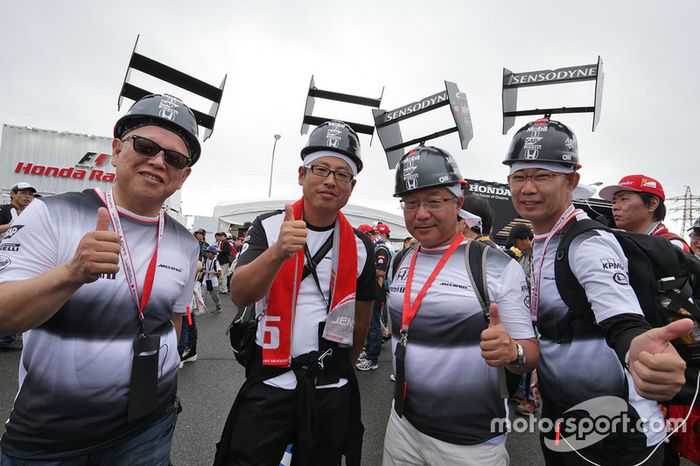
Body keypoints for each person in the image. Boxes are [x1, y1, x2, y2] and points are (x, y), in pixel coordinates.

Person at [0, 93, 201, 464]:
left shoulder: (186, 243)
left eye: (173, 158)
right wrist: (71, 273)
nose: (158, 162)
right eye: (145, 146)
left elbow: (172, 321)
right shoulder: (50, 213)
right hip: (50, 437)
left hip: (149, 429)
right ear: (117, 149)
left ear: (183, 175)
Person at [503, 118, 691, 465]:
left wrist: (639, 348)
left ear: (572, 181)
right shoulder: (542, 242)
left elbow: (622, 319)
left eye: (542, 175)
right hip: (565, 417)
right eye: (519, 176)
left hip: (617, 428)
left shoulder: (588, 243)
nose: (527, 188)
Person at [213, 121, 376, 466]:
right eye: (321, 169)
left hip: (329, 388)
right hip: (270, 380)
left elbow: (362, 319)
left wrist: (340, 366)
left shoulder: (361, 245)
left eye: (342, 174)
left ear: (352, 186)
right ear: (302, 175)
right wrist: (277, 253)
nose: (330, 180)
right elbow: (240, 295)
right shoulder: (269, 226)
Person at [383, 146, 538, 466]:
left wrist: (513, 353)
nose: (421, 213)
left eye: (434, 201)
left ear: (458, 203)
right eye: (411, 203)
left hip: (470, 443)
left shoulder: (495, 266)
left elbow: (530, 353)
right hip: (402, 426)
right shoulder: (403, 258)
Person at [599, 174, 690, 253]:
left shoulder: (673, 245)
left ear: (652, 204)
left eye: (624, 199)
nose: (615, 207)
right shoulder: (615, 244)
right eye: (614, 202)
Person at [0, 182, 37, 351]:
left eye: (30, 194)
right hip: (4, 259)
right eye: (23, 193)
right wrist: (11, 227)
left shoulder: (30, 213)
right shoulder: (4, 210)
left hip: (21, 260)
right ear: (13, 194)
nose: (27, 196)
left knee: (18, 298)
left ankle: (7, 339)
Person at [356, 222, 392, 371]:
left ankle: (372, 358)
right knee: (372, 323)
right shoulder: (376, 247)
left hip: (377, 291)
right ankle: (370, 351)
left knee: (374, 325)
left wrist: (363, 269)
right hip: (374, 290)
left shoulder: (381, 248)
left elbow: (381, 271)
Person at [201, 245, 222, 314]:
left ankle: (218, 306)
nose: (206, 253)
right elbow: (204, 268)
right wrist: (203, 270)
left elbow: (219, 273)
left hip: (213, 281)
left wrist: (209, 272)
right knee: (202, 294)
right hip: (205, 280)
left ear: (212, 253)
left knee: (214, 296)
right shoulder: (205, 260)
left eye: (208, 252)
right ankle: (201, 307)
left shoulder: (216, 261)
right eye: (206, 252)